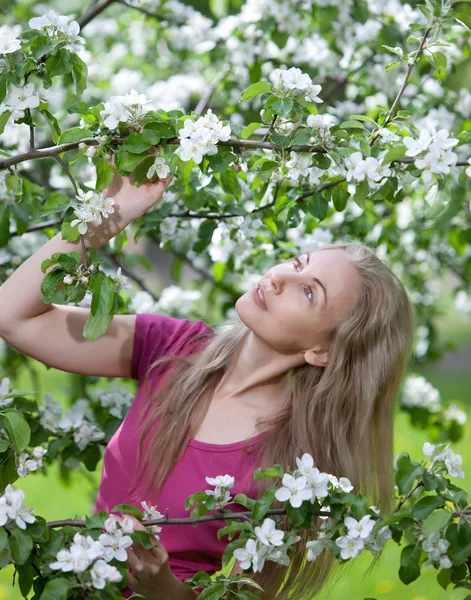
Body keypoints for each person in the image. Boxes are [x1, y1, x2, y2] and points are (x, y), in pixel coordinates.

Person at [0, 161, 415, 600]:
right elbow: (13, 316)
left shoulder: (294, 467)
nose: (278, 278)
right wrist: (110, 214)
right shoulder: (176, 349)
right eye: (296, 262)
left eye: (308, 291)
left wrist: (165, 591)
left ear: (323, 350)